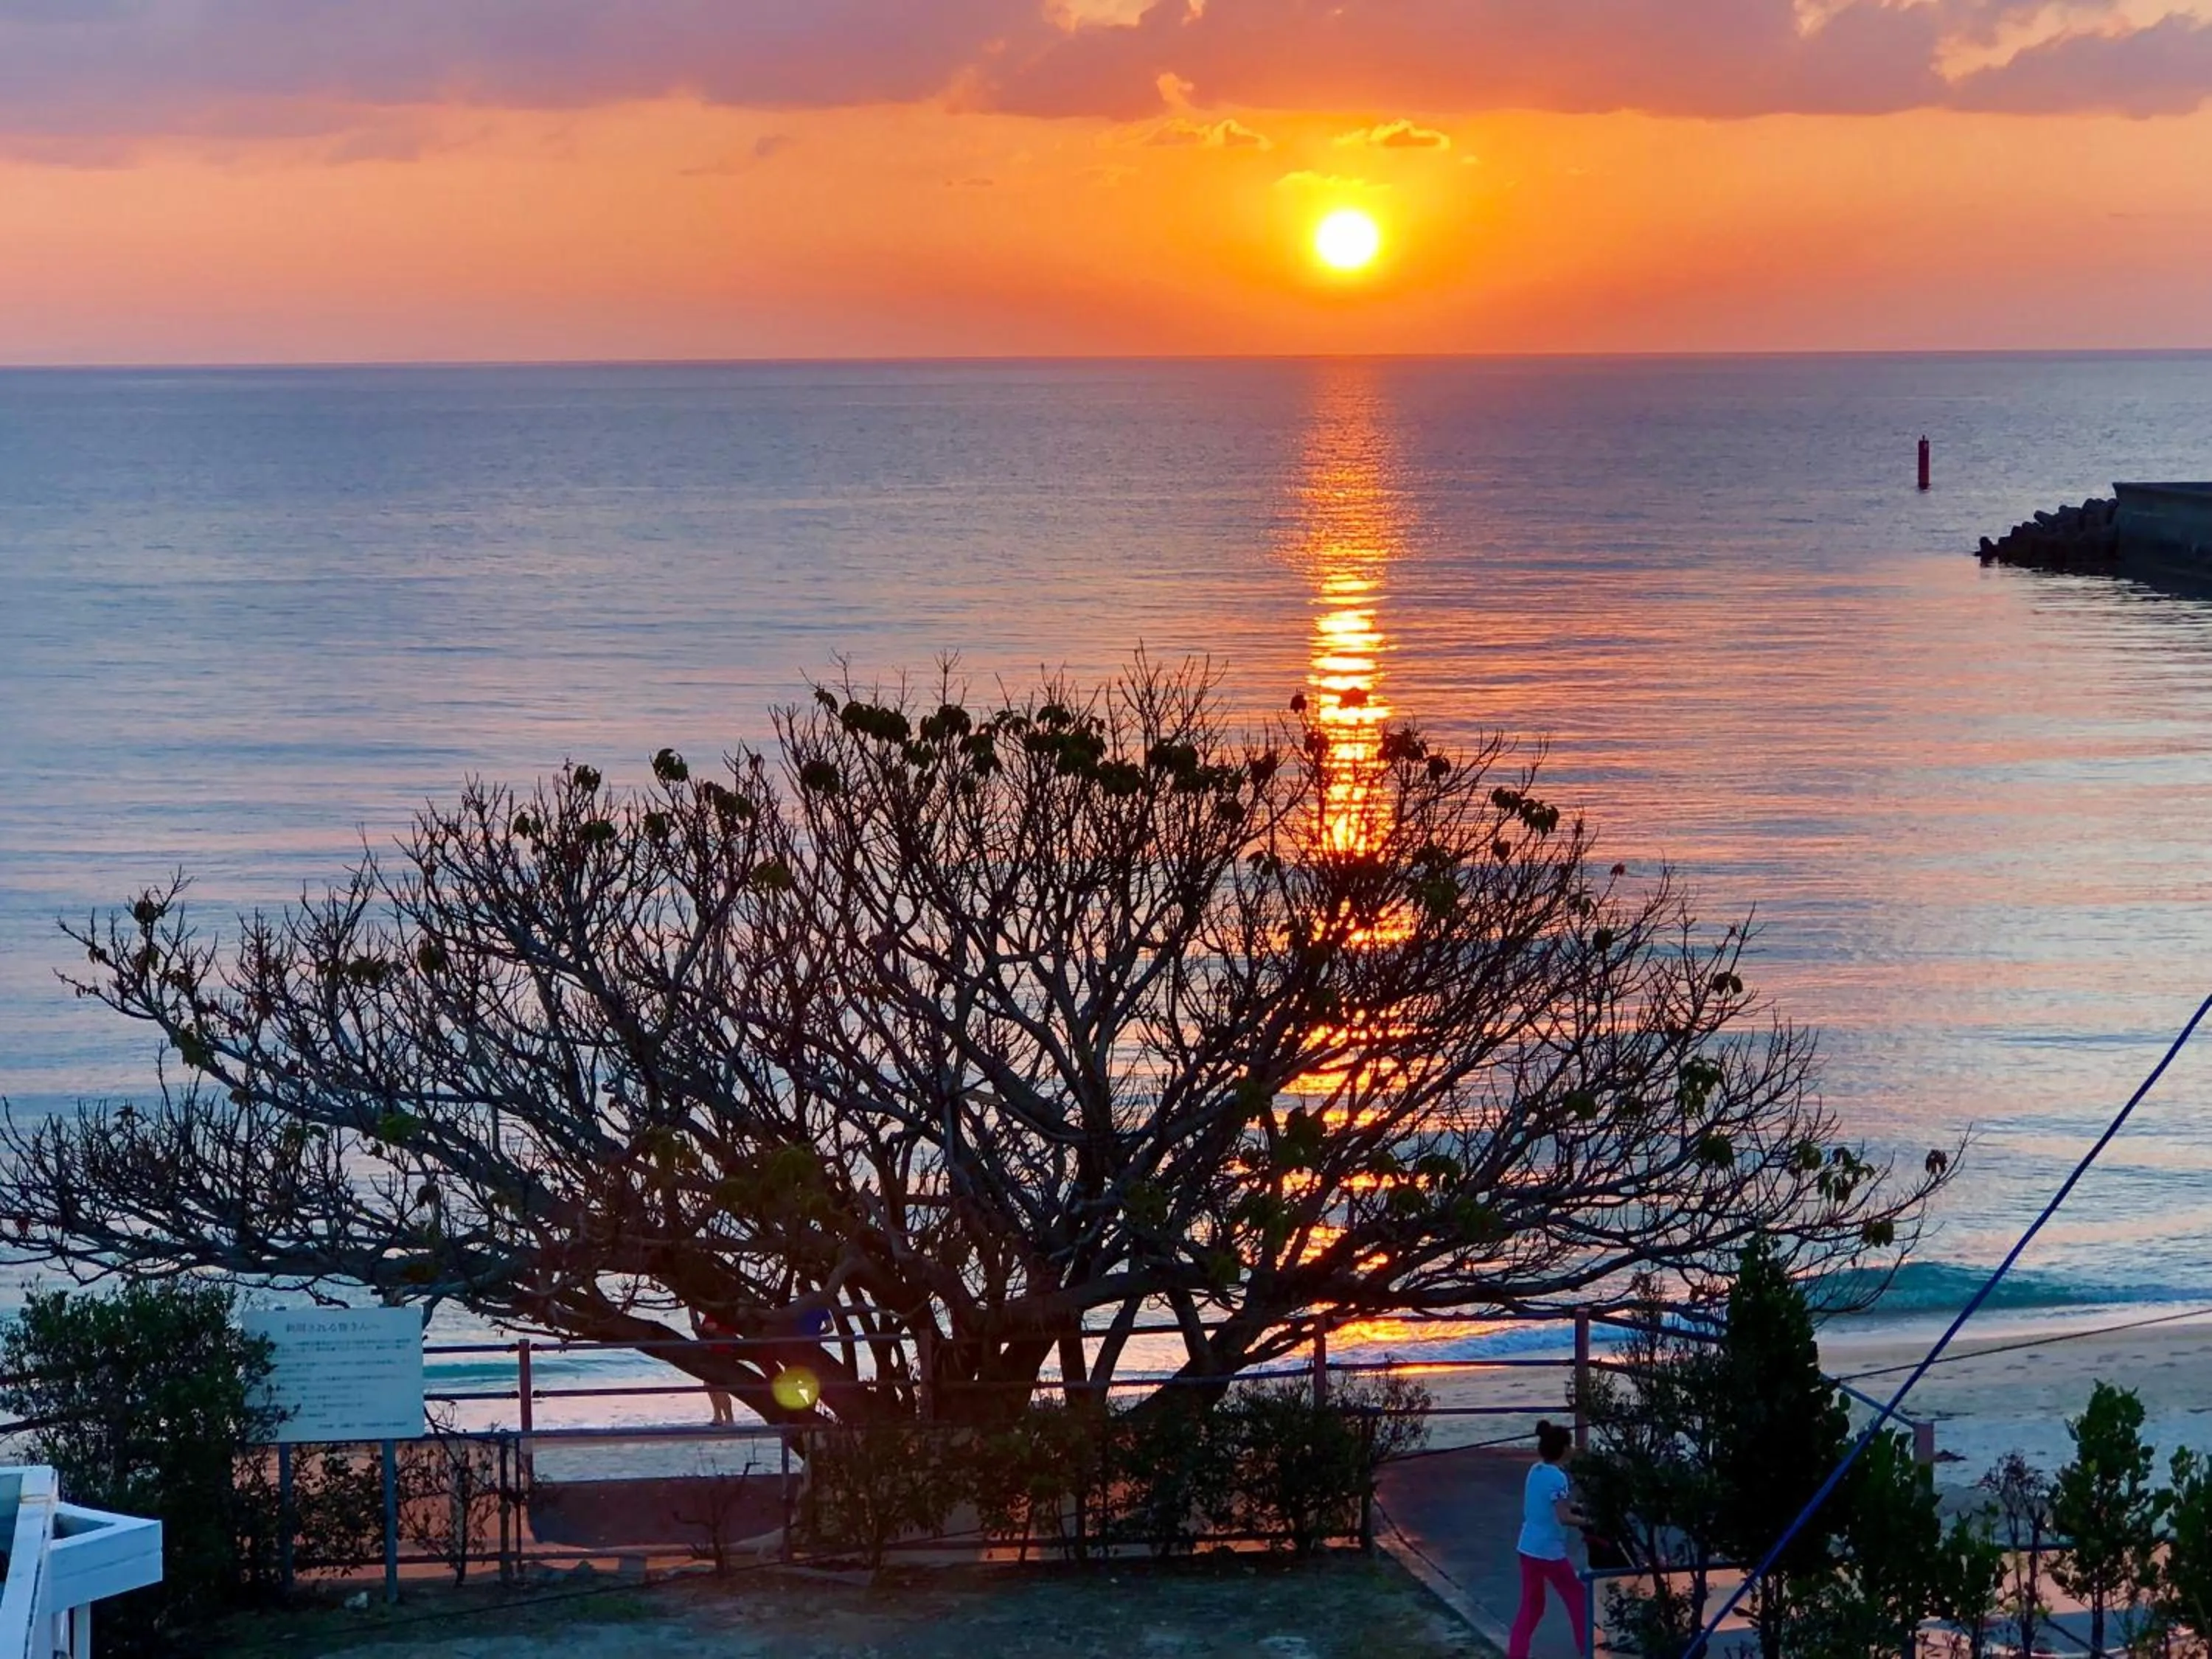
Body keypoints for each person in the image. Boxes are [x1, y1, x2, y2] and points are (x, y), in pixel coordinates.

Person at [1509, 1419, 1590, 1659]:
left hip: (1527, 1547)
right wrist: (1589, 1522)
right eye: (1571, 1445)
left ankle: (1517, 1654)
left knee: (1532, 1607)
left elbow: (1549, 1503)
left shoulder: (1536, 1470)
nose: (1573, 1449)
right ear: (1564, 1450)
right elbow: (1564, 1517)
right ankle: (1586, 1650)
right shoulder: (1558, 1477)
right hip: (1549, 1551)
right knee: (1577, 1597)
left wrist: (1577, 1506)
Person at [692, 1310, 737, 1427]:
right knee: (708, 1385)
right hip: (713, 1352)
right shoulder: (711, 1313)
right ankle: (718, 1416)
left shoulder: (721, 1315)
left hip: (721, 1352)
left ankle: (729, 1418)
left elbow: (711, 1328)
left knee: (719, 1387)